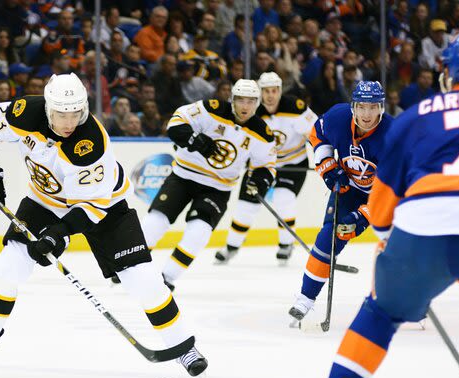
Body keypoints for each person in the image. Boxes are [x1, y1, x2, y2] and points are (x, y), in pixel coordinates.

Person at [0, 73, 208, 378]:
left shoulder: (90, 143)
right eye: (61, 115)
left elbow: (91, 208)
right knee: (8, 267)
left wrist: (57, 235)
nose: (69, 123)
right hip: (45, 201)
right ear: (48, 110)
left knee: (143, 280)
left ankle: (182, 347)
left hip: (105, 207)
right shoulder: (23, 113)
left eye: (75, 114)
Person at [300, 33, 459, 378]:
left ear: (445, 72)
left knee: (379, 314)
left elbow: (381, 207)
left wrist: (383, 239)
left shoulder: (415, 117)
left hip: (422, 232)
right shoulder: (370, 119)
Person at [137, 80, 276, 290]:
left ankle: (167, 277)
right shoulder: (210, 109)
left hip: (218, 188)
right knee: (156, 220)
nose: (245, 106)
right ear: (232, 99)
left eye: (250, 101)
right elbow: (175, 123)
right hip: (183, 176)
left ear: (257, 103)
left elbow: (266, 166)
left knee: (199, 232)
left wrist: (259, 181)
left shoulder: (263, 133)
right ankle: (131, 265)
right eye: (240, 100)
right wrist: (194, 139)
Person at [287, 81, 393, 328]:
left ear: (382, 108)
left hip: (388, 197)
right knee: (329, 237)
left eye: (373, 107)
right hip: (348, 189)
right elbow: (317, 134)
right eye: (362, 107)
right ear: (353, 106)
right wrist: (327, 167)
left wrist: (363, 216)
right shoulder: (337, 117)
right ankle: (305, 298)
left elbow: (395, 189)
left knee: (402, 249)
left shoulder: (393, 137)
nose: (367, 114)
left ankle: (412, 301)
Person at [215, 72, 318, 265]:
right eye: (266, 91)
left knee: (283, 198)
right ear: (259, 93)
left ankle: (286, 244)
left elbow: (317, 133)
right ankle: (231, 246)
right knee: (246, 205)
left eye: (274, 90)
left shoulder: (296, 108)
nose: (270, 95)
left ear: (280, 90)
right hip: (262, 164)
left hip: (293, 164)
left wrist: (323, 155)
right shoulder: (251, 110)